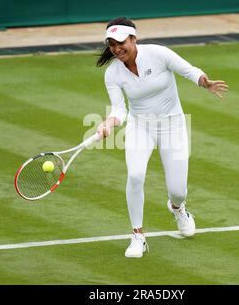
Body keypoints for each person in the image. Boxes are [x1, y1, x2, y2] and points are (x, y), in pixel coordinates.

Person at [96, 17, 228, 258]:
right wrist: (108, 123)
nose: (116, 49)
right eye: (111, 44)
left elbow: (189, 71)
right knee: (135, 175)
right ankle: (138, 236)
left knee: (178, 190)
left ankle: (178, 209)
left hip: (173, 126)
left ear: (133, 39)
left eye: (120, 42)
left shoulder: (158, 54)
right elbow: (119, 110)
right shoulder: (112, 73)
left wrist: (204, 82)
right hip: (140, 127)